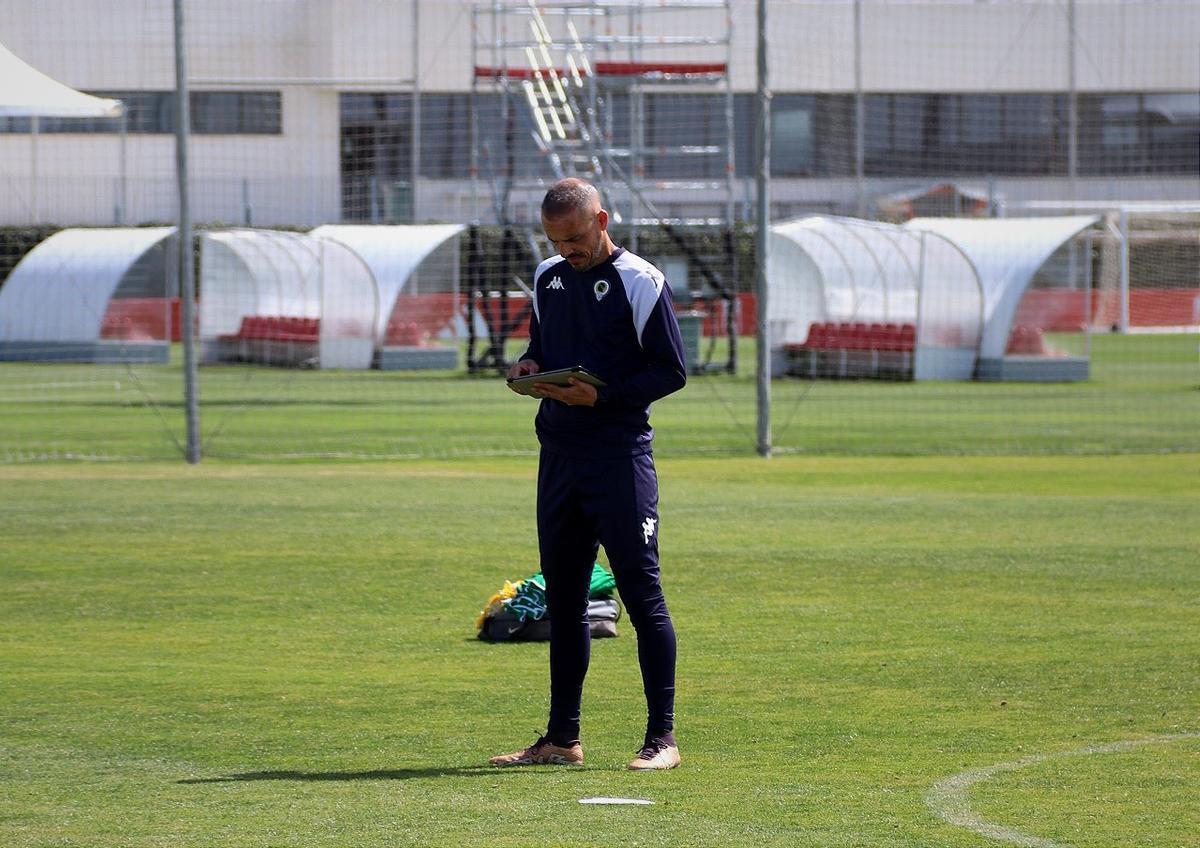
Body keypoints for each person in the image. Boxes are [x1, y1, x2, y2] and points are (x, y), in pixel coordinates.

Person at [490, 178, 688, 771]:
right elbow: (543, 343)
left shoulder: (642, 281)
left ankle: (662, 740)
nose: (567, 250)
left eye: (575, 238)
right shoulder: (548, 277)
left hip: (619, 461)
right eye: (556, 241)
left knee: (643, 597)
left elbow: (671, 371)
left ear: (602, 220)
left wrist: (600, 398)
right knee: (565, 600)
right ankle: (561, 739)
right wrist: (530, 366)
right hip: (559, 459)